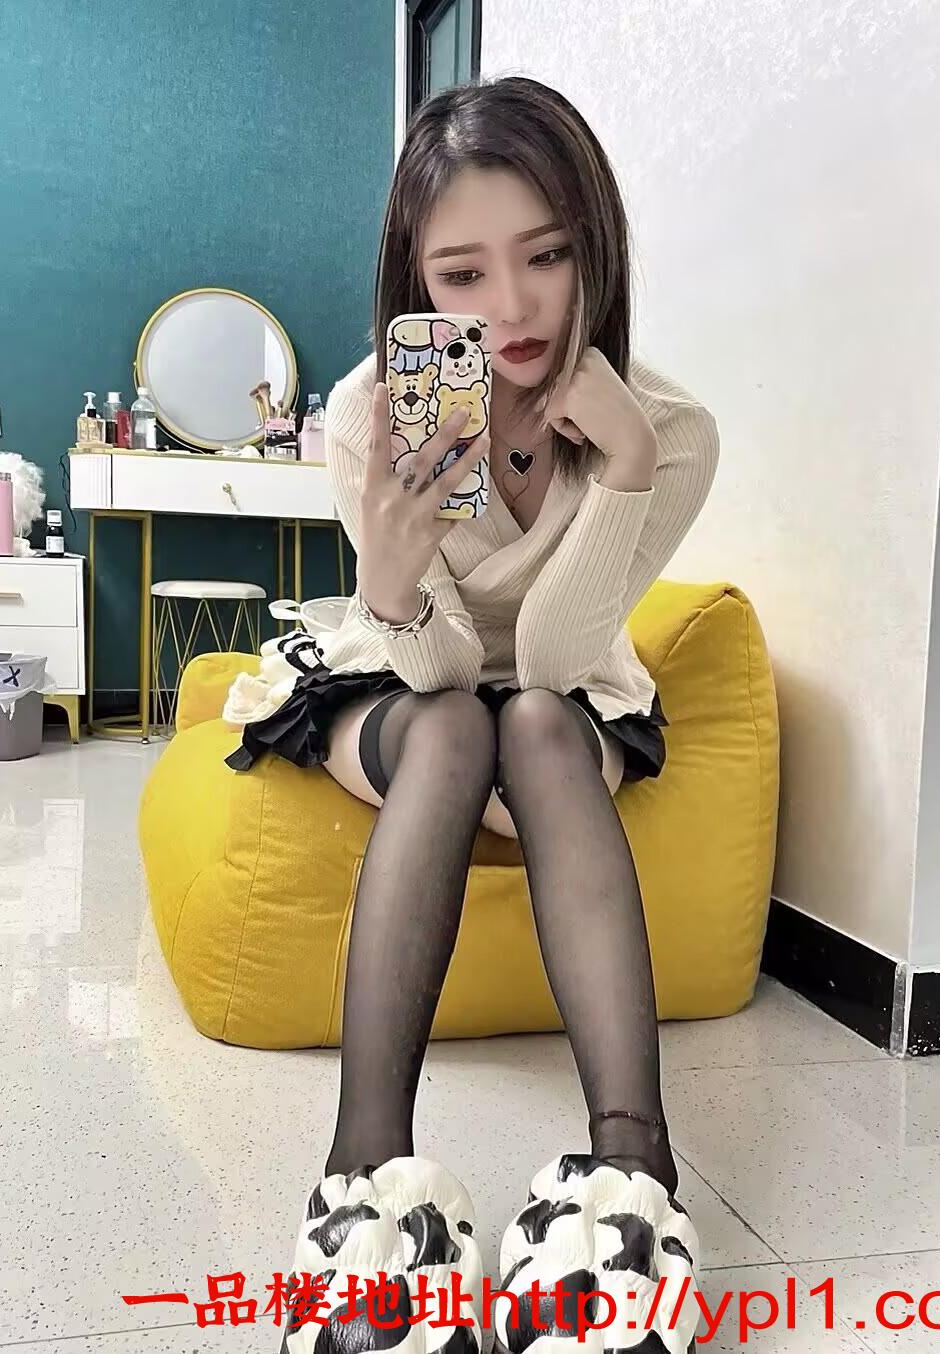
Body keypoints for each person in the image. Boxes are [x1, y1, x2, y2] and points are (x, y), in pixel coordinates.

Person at [228, 76, 718, 1353]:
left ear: (596, 248)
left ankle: (635, 1169)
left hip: (568, 694)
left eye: (547, 255)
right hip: (405, 677)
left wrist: (622, 473)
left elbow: (554, 658)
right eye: (461, 274)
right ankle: (361, 1182)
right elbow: (443, 670)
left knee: (538, 723)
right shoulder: (365, 416)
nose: (510, 306)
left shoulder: (668, 432)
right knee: (457, 728)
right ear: (415, 282)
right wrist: (392, 580)